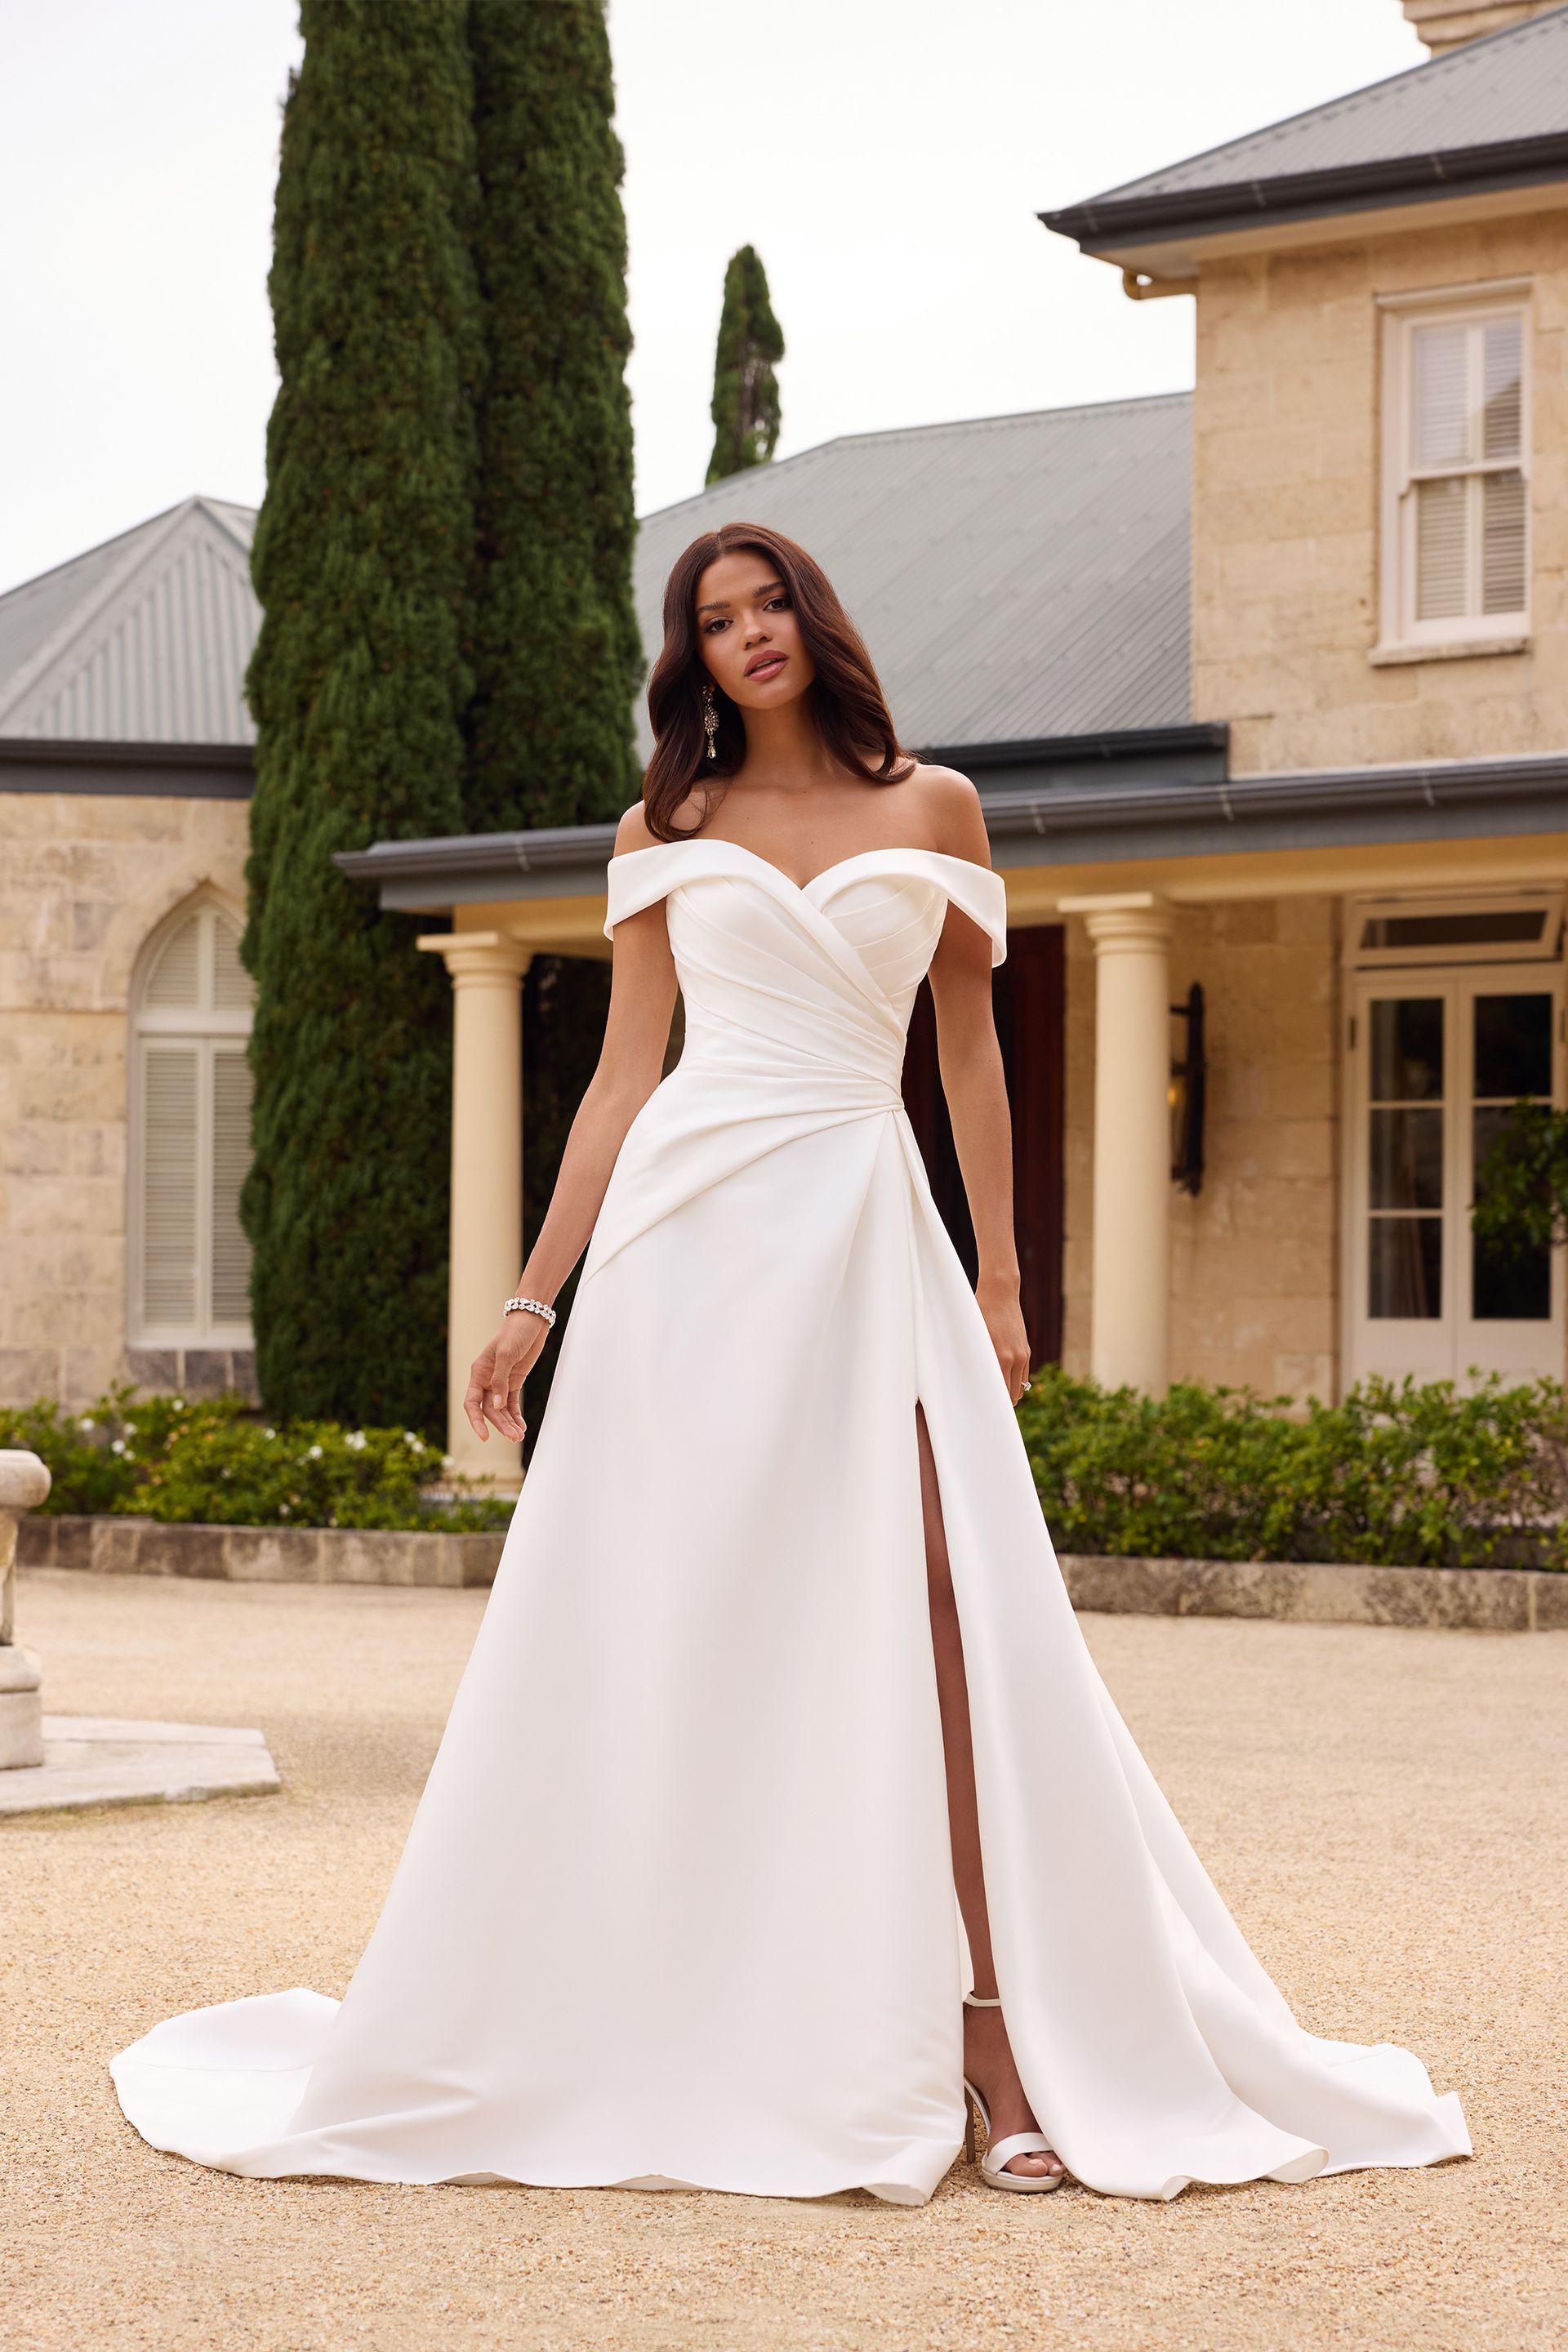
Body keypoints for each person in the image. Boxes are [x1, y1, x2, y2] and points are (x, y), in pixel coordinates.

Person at [112, 523, 1470, 2205]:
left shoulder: (938, 809)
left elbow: (970, 1058)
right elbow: (622, 1081)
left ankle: (993, 2038)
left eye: (770, 607)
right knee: (676, 1621)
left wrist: (1004, 1280)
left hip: (865, 1228)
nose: (749, 635)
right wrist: (534, 1303)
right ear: (692, 659)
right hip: (691, 1242)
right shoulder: (663, 830)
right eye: (714, 620)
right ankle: (675, 2013)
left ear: (818, 624)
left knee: (944, 1613)